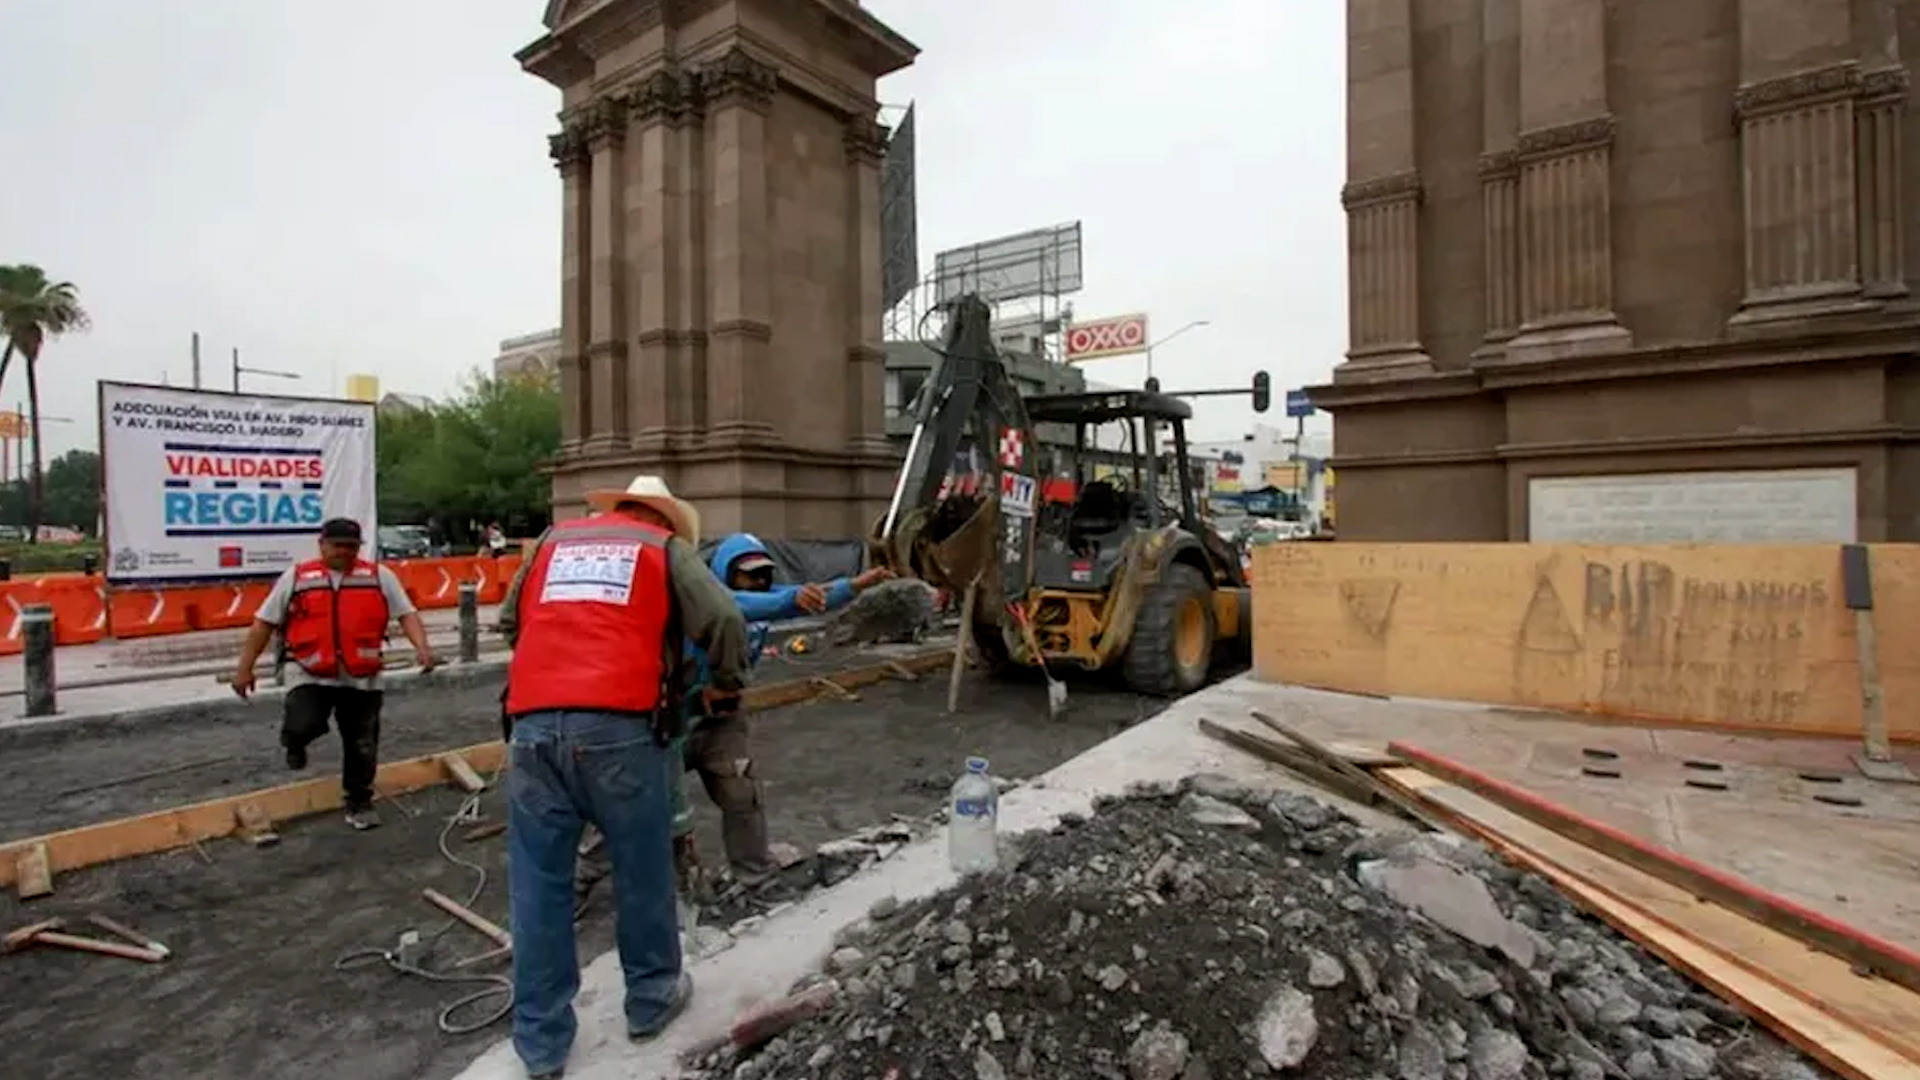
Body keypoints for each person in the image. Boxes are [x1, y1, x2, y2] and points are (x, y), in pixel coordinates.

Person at [497, 475, 748, 1079]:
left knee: (538, 887)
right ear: (666, 520)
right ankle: (652, 998)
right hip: (618, 731)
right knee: (641, 869)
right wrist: (725, 684)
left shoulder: (552, 542)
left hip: (530, 728)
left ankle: (542, 1045)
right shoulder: (661, 550)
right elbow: (725, 621)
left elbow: (512, 623)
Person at [668, 535, 892, 885]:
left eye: (763, 575)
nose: (758, 582)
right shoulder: (708, 602)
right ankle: (584, 883)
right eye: (748, 575)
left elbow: (800, 598)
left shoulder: (767, 601)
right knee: (648, 805)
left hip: (723, 720)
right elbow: (743, 604)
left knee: (742, 795)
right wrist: (791, 598)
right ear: (726, 573)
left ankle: (754, 876)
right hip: (676, 720)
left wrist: (855, 585)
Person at [232, 517, 436, 831]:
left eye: (351, 546)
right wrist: (244, 669)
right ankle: (294, 741)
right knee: (304, 722)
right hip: (309, 670)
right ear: (322, 544)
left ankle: (359, 801)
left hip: (362, 675)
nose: (344, 552)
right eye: (337, 545)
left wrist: (422, 647)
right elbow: (263, 623)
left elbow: (406, 614)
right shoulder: (298, 578)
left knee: (362, 743)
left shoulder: (379, 577)